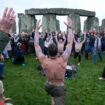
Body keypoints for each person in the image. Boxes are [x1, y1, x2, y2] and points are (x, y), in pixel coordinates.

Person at [34, 17, 74, 105]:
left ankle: (53, 101)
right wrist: (70, 28)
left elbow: (36, 45)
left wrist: (36, 30)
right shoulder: (63, 59)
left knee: (53, 95)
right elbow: (70, 42)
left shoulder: (44, 60)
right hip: (59, 87)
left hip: (48, 85)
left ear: (47, 52)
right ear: (57, 51)